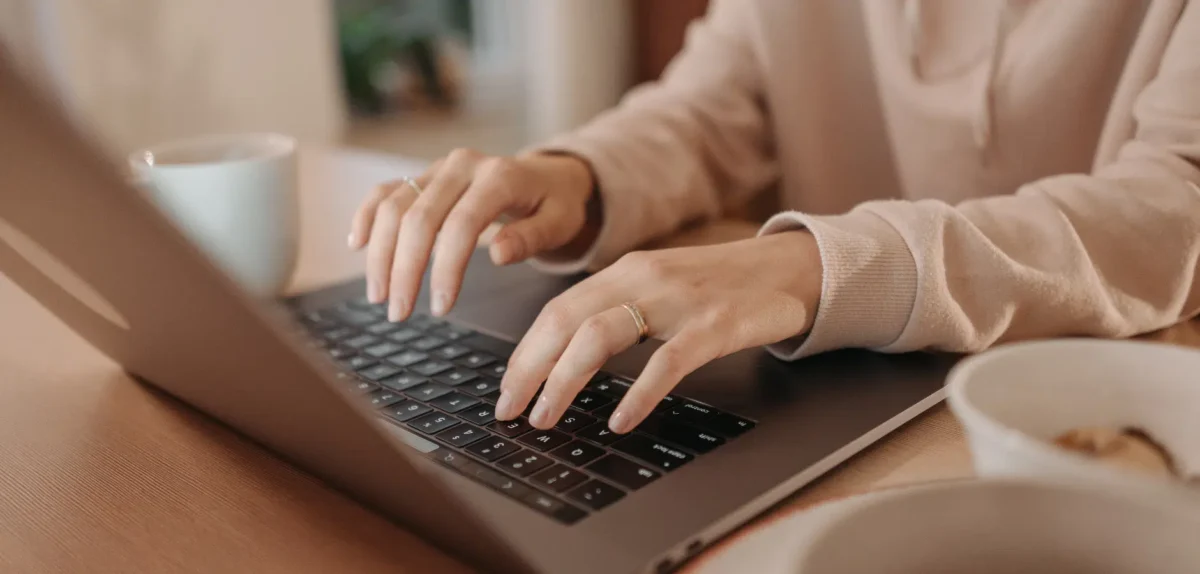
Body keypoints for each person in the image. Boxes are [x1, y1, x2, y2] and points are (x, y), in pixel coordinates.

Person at [347, 0, 1200, 436]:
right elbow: (709, 106)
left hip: (1099, 416)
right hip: (839, 399)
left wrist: (814, 268)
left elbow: (1172, 204)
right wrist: (576, 175)